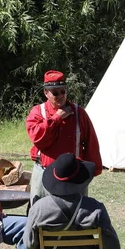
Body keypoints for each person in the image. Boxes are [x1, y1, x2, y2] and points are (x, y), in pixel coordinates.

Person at [25, 70, 102, 205]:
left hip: (74, 175)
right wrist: (56, 119)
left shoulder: (79, 113)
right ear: (46, 93)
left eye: (63, 91)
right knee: (40, 213)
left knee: (77, 216)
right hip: (44, 172)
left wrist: (92, 170)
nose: (60, 96)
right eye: (55, 92)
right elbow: (38, 139)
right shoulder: (38, 112)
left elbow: (91, 142)